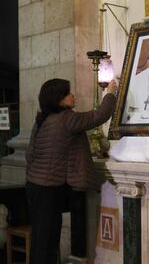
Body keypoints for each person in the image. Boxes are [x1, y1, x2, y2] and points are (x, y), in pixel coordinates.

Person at [25, 78, 117, 264]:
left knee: (41, 240)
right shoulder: (67, 118)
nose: (72, 95)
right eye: (67, 93)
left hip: (34, 186)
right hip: (50, 189)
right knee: (48, 243)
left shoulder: (42, 119)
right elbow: (98, 116)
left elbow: (29, 154)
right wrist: (111, 94)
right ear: (58, 99)